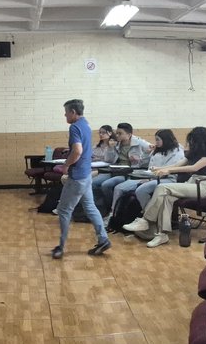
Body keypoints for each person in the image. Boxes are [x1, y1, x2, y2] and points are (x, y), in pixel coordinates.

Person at [123, 127, 206, 247]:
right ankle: (162, 234)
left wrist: (169, 171)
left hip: (204, 185)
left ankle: (146, 220)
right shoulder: (195, 152)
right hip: (191, 183)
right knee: (166, 197)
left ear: (202, 140)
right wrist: (160, 168)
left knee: (162, 188)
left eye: (193, 141)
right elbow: (177, 164)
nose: (191, 143)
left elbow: (194, 168)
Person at [50, 99, 111, 259]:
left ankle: (61, 247)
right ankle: (103, 239)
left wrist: (66, 165)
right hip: (86, 174)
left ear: (73, 112)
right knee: (90, 207)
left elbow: (77, 151)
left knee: (64, 210)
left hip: (77, 176)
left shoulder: (75, 127)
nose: (65, 115)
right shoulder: (86, 125)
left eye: (66, 112)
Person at [110, 128, 184, 222]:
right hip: (149, 176)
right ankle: (113, 215)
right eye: (156, 140)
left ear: (166, 140)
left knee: (141, 190)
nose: (156, 142)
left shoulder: (177, 151)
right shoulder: (157, 149)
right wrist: (146, 153)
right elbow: (143, 164)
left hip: (166, 179)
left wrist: (150, 178)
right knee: (119, 188)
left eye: (158, 140)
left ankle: (148, 216)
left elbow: (169, 170)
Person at [93, 123, 151, 205]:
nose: (117, 135)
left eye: (120, 133)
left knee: (106, 185)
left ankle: (111, 207)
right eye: (116, 133)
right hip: (115, 170)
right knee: (93, 183)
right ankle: (100, 206)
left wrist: (139, 159)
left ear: (129, 134)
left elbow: (151, 156)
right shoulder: (116, 143)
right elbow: (108, 160)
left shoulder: (140, 143)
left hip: (128, 172)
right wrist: (110, 148)